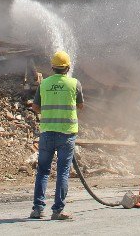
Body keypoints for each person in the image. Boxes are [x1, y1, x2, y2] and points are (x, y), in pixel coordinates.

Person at [29, 50, 84, 220]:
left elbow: (36, 107)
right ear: (68, 67)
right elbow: (80, 106)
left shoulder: (44, 84)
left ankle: (38, 209)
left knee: (43, 171)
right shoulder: (74, 84)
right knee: (62, 172)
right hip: (66, 135)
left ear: (52, 67)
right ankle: (57, 210)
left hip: (47, 133)